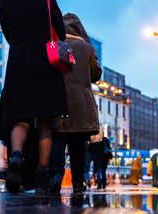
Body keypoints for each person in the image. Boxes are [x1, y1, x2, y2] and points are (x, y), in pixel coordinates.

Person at [0, 0, 68, 194]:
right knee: (45, 122)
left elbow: (7, 32)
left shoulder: (5, 2)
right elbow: (60, 32)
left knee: (20, 119)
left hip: (18, 60)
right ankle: (42, 174)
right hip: (46, 62)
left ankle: (16, 157)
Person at [49, 13, 102, 194]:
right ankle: (78, 182)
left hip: (57, 101)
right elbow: (96, 74)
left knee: (57, 141)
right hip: (81, 104)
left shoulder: (54, 45)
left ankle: (55, 176)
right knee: (78, 145)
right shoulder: (85, 47)